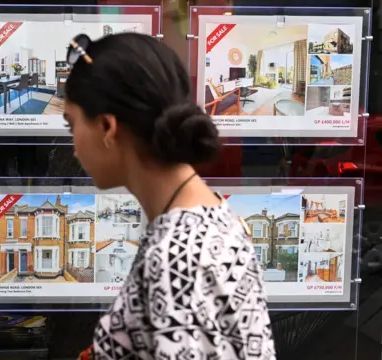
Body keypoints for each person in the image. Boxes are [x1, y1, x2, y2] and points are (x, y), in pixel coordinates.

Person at [64, 33, 276, 359]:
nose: (73, 145)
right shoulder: (210, 219)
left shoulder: (177, 256)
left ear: (107, 127)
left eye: (71, 125)